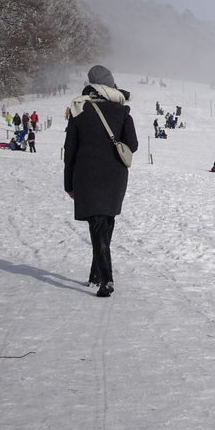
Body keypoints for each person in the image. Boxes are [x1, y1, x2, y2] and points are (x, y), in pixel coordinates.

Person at [64, 65, 138, 299]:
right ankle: (98, 274)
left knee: (97, 222)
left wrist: (69, 183)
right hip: (115, 174)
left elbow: (71, 150)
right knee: (106, 220)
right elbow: (133, 145)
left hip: (87, 173)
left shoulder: (79, 109)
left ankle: (105, 277)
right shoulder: (122, 111)